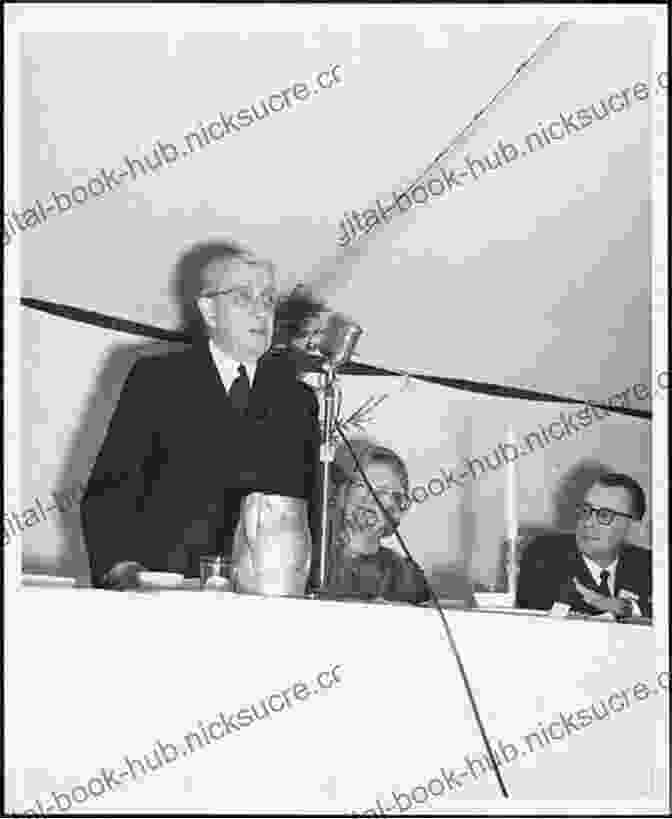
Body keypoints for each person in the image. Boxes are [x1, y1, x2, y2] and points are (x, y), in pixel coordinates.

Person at [81, 241, 320, 589]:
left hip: (262, 607)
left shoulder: (298, 401)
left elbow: (309, 512)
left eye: (268, 299)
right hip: (166, 597)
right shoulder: (157, 380)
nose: (260, 311)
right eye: (243, 297)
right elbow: (111, 492)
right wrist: (120, 570)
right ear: (209, 311)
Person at [516, 472, 652, 619]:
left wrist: (611, 604)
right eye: (586, 510)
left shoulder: (648, 564)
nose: (588, 523)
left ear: (632, 526)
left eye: (604, 515)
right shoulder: (544, 555)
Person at [321, 440, 430, 604]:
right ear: (343, 495)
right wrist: (352, 553)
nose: (370, 498)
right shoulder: (319, 563)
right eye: (361, 485)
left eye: (384, 491)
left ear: (399, 508)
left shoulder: (406, 575)